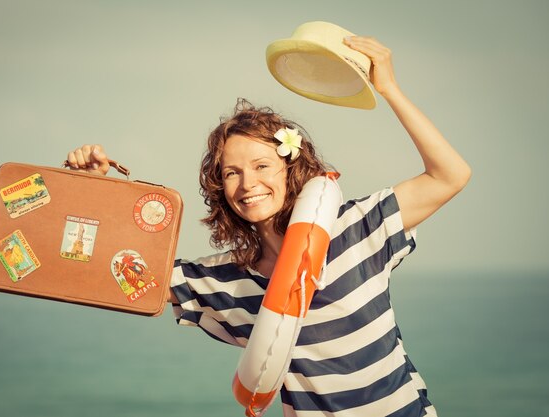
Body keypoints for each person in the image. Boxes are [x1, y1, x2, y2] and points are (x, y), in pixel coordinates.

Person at [66, 36, 471, 417]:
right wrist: (94, 189)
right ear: (219, 188)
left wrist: (390, 89)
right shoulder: (221, 281)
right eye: (231, 173)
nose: (248, 184)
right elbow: (110, 269)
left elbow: (450, 175)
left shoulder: (357, 228)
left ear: (290, 169)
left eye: (262, 166)